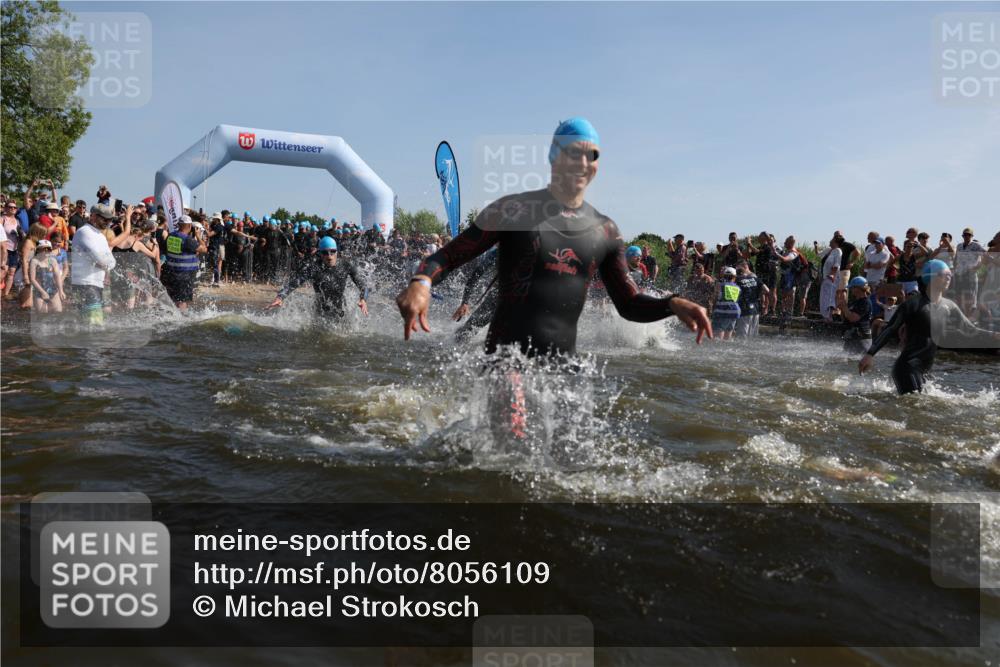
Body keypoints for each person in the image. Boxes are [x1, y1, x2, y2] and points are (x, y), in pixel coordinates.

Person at [395, 117, 711, 356]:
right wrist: (421, 283)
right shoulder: (513, 210)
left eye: (593, 155)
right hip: (507, 364)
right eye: (574, 153)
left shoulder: (605, 231)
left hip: (563, 375)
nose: (583, 163)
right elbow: (447, 256)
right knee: (514, 433)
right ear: (554, 157)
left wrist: (672, 304)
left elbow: (628, 304)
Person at [859, 260, 1000, 394]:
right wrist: (870, 354)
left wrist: (994, 335)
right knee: (915, 406)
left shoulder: (949, 306)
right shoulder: (913, 304)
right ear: (930, 277)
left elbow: (970, 329)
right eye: (944, 275)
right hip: (907, 367)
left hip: (925, 369)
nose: (949, 278)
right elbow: (890, 329)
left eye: (950, 275)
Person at [267, 236, 368, 319]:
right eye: (325, 253)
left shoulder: (346, 265)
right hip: (320, 310)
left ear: (337, 252)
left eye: (332, 251)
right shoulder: (314, 268)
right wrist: (280, 297)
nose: (329, 256)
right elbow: (295, 283)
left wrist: (363, 299)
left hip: (340, 307)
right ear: (320, 254)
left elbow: (363, 286)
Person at [71, 203, 117, 325]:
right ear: (93, 216)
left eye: (110, 219)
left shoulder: (101, 236)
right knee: (94, 323)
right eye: (105, 219)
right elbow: (99, 258)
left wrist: (102, 263)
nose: (108, 222)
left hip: (97, 283)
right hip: (85, 283)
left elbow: (112, 262)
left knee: (90, 323)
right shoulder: (84, 232)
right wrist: (102, 263)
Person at [160, 214, 206, 311]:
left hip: (170, 273)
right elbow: (204, 249)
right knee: (182, 300)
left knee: (172, 298)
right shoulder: (188, 239)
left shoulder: (170, 236)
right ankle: (182, 320)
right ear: (189, 226)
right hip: (184, 275)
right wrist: (198, 236)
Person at [452, 247, 498, 342]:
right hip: (496, 297)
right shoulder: (496, 253)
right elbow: (474, 277)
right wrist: (465, 303)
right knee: (465, 332)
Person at [953, 227, 984, 318]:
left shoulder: (976, 245)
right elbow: (956, 258)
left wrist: (977, 266)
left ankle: (967, 318)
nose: (967, 236)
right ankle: (961, 317)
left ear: (972, 236)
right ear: (962, 236)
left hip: (970, 275)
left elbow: (985, 255)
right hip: (959, 274)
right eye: (965, 235)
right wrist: (955, 268)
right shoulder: (959, 246)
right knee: (958, 296)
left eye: (969, 235)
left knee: (969, 297)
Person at [28, 239, 65, 314]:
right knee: (42, 314)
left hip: (52, 289)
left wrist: (61, 290)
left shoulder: (52, 261)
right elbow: (32, 279)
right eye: (43, 249)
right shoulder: (34, 261)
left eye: (48, 249)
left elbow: (57, 277)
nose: (46, 251)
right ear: (38, 250)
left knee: (58, 312)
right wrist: (42, 292)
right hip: (39, 291)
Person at [838, 276, 872, 353]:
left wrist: (844, 307)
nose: (850, 289)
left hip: (861, 340)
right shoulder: (855, 302)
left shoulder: (865, 302)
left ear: (858, 288)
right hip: (851, 337)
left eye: (852, 287)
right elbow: (846, 318)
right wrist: (842, 309)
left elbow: (853, 318)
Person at [734, 261, 764, 338]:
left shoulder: (738, 280)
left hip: (745, 309)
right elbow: (766, 290)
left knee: (742, 336)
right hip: (756, 309)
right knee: (753, 335)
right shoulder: (755, 278)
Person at [712, 267, 741, 341]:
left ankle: (717, 348)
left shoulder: (720, 285)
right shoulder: (738, 287)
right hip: (735, 312)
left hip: (723, 311)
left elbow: (715, 298)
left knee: (719, 331)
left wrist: (713, 309)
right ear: (734, 277)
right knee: (728, 331)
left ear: (724, 276)